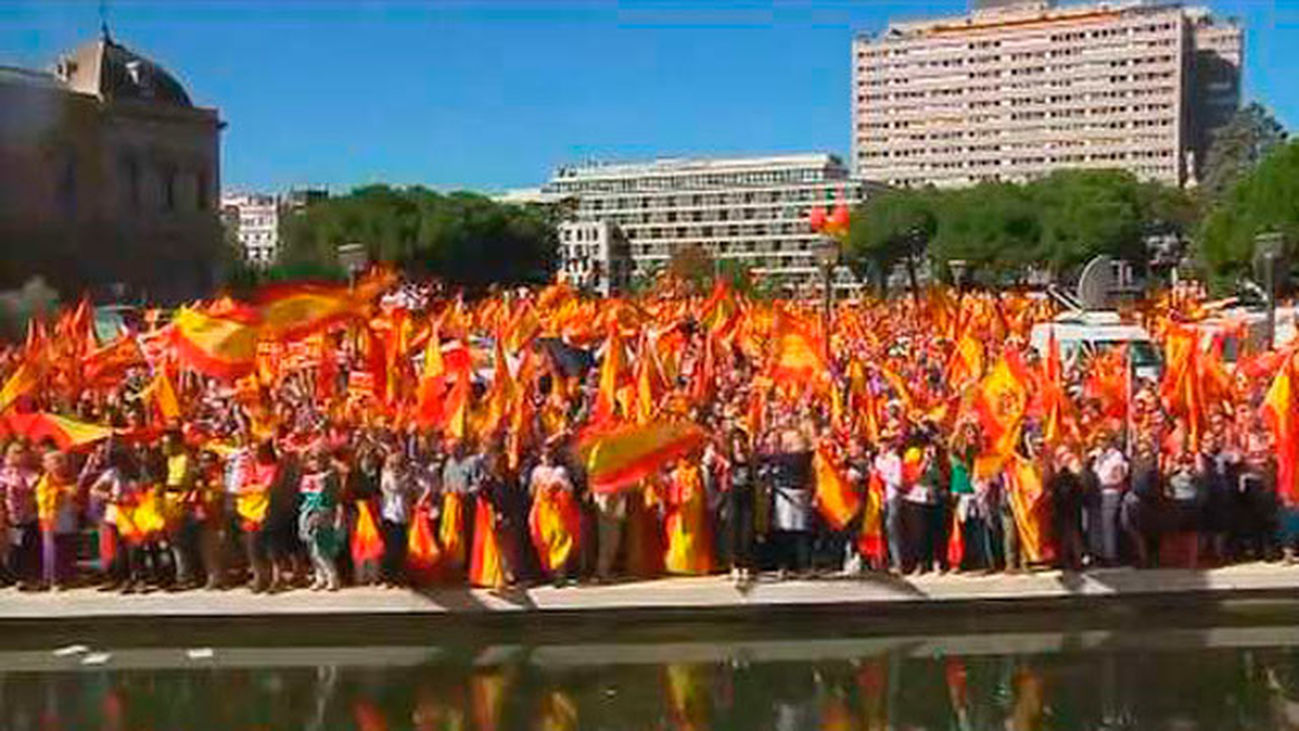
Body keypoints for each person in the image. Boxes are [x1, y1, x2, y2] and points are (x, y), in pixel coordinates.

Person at [298, 447, 342, 591]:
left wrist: (328, 513)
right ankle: (319, 578)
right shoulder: (308, 477)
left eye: (316, 459)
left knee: (321, 548)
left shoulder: (329, 476)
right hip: (308, 511)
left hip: (323, 512)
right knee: (311, 548)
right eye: (311, 459)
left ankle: (332, 577)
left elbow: (334, 498)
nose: (313, 462)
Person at [34, 449, 78, 590]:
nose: (60, 464)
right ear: (46, 465)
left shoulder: (69, 478)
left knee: (67, 546)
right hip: (51, 518)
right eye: (56, 461)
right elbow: (45, 498)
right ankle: (53, 579)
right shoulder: (45, 481)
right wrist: (62, 492)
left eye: (62, 461)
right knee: (53, 549)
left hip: (67, 517)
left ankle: (68, 576)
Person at [1, 443, 39, 589]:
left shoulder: (30, 473)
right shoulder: (4, 474)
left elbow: (35, 488)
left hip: (28, 516)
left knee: (26, 547)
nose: (18, 455)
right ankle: (9, 575)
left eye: (21, 452)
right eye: (15, 452)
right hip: (8, 516)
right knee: (10, 548)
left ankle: (26, 577)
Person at [1089, 436, 1128, 567]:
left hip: (1110, 492)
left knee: (1107, 524)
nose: (1101, 442)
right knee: (1094, 524)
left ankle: (1110, 555)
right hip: (1094, 493)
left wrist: (1105, 484)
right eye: (1098, 439)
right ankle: (1096, 554)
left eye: (1104, 438)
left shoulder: (1117, 456)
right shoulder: (1095, 454)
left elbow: (1118, 477)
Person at [379, 450, 416, 586]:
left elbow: (411, 491)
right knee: (390, 548)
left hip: (403, 516)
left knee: (401, 548)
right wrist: (401, 478)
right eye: (393, 463)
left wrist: (407, 479)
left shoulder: (407, 476)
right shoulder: (386, 476)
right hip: (389, 515)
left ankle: (399, 577)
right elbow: (393, 488)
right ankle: (387, 578)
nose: (396, 466)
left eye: (399, 464)